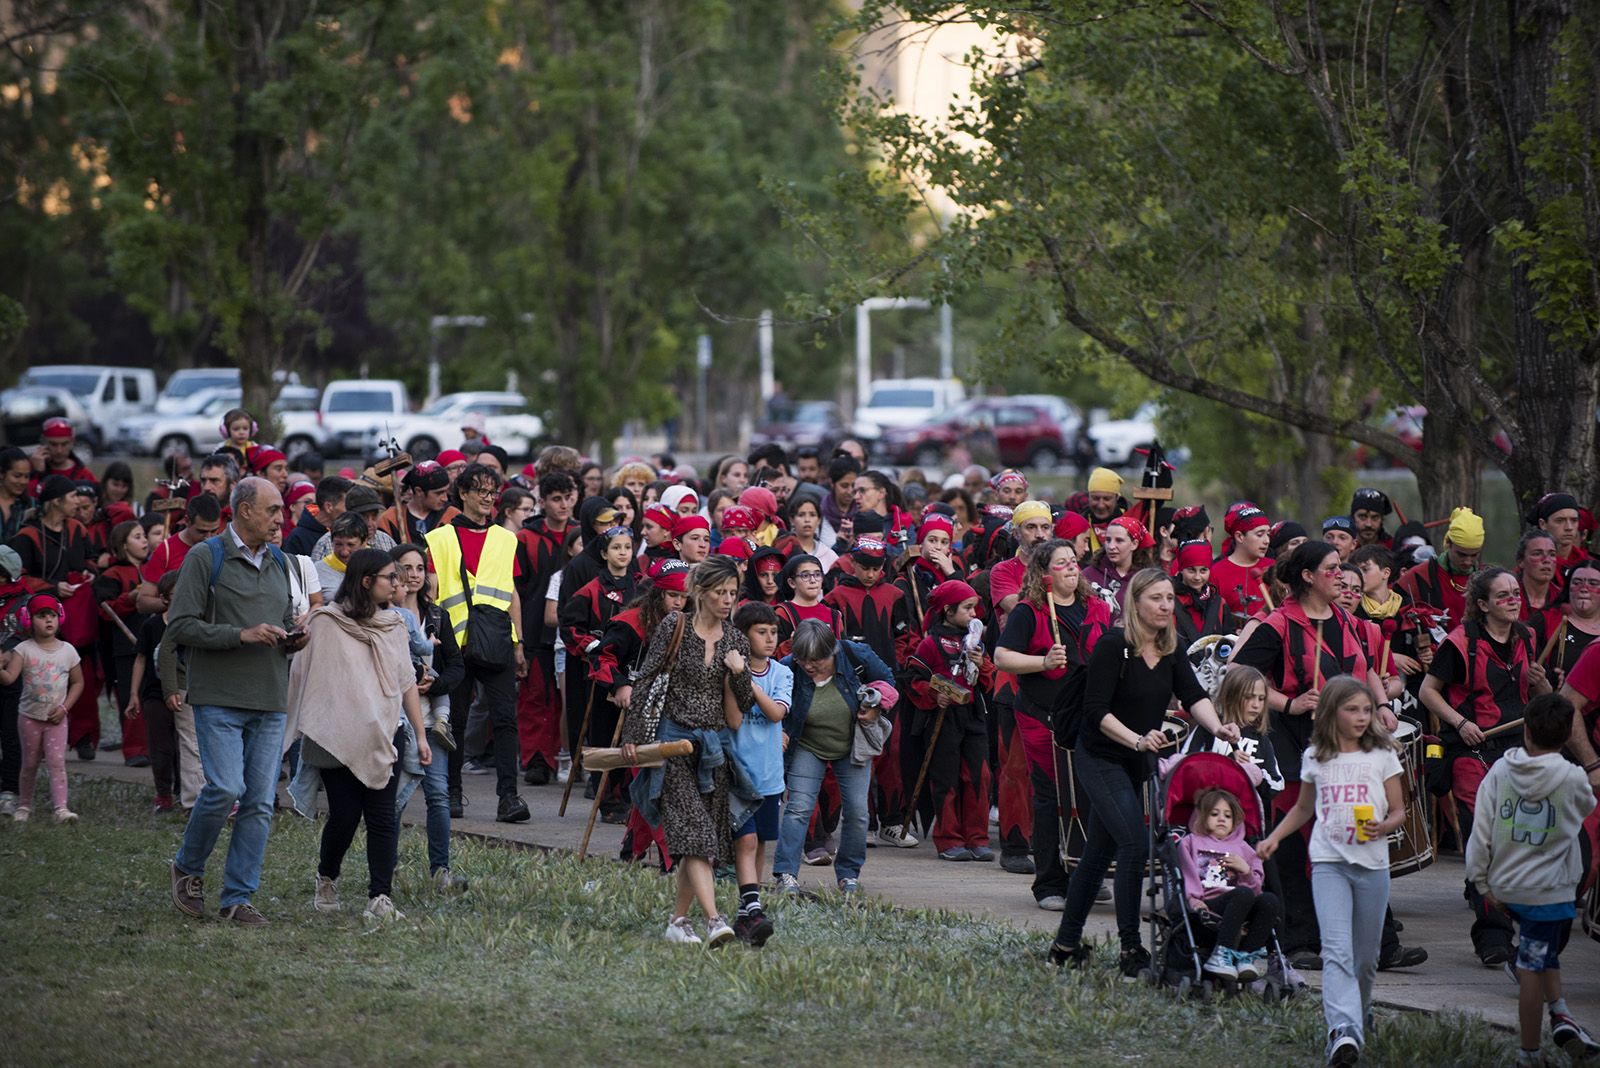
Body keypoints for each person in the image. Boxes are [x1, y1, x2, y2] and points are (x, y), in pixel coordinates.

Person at [1048, 568, 1240, 978]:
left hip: (1136, 761)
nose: (1166, 606)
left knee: (1098, 854)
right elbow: (1095, 711)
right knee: (1133, 845)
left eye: (1169, 599)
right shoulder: (1113, 645)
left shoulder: (1172, 648)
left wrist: (1218, 725)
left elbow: (1194, 696)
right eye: (1156, 598)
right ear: (1134, 603)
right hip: (1100, 756)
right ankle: (1132, 950)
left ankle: (1065, 945)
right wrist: (1136, 740)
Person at [1231, 541, 1397, 966]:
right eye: (1331, 569)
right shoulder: (1278, 624)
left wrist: (1380, 707)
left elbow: (1370, 671)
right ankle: (1299, 938)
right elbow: (1237, 674)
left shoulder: (1347, 619)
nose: (1340, 576)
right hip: (1294, 742)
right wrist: (1289, 703)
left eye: (1340, 568)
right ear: (1307, 576)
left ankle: (1380, 942)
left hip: (1347, 742)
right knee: (1297, 841)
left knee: (1356, 832)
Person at [167, 477, 304, 926]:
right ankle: (187, 865)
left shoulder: (282, 561)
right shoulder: (206, 557)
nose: (280, 518)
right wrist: (240, 635)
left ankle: (237, 899)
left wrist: (293, 637)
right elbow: (181, 626)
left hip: (269, 697)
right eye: (273, 510)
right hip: (219, 697)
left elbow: (281, 621)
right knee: (225, 789)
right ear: (244, 510)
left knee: (261, 802)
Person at [1256, 676, 1405, 1067]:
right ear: (1331, 713)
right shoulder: (1315, 757)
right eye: (1351, 709)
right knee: (1336, 951)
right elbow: (1304, 808)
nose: (1361, 717)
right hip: (1328, 863)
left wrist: (1384, 827)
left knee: (1366, 958)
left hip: (1372, 865)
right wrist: (1274, 837)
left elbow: (1398, 811)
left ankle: (1361, 1011)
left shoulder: (1382, 754)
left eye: (1366, 710)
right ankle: (1342, 1030)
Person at [1419, 565, 1553, 965]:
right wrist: (1461, 723)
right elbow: (1428, 691)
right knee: (1487, 841)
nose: (1514, 601)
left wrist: (1542, 684)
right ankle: (1493, 937)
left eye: (1516, 594)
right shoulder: (1460, 643)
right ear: (1482, 604)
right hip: (1472, 752)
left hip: (1519, 751)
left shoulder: (1528, 637)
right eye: (1504, 596)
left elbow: (1541, 694)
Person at [288, 548, 429, 921]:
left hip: (385, 731)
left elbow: (406, 683)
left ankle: (379, 896)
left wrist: (420, 733)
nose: (398, 584)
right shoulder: (326, 622)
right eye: (390, 578)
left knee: (383, 817)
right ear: (367, 581)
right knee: (345, 816)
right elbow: (307, 676)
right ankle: (327, 875)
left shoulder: (394, 624)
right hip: (338, 733)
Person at [622, 556, 755, 946]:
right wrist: (634, 734)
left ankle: (678, 921)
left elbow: (738, 712)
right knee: (696, 835)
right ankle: (715, 920)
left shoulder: (735, 640)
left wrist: (740, 672)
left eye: (732, 592)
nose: (727, 600)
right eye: (720, 592)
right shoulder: (674, 625)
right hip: (672, 744)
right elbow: (647, 678)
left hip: (711, 751)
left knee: (698, 842)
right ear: (700, 591)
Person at [1464, 692, 1600, 1067]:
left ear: (1525, 731)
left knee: (1541, 953)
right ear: (1565, 737)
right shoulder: (1572, 778)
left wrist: (1480, 879)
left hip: (1507, 887)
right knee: (1530, 968)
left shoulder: (1499, 771)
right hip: (1550, 890)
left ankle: (1561, 1015)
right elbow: (1588, 807)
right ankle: (1529, 1051)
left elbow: (1481, 829)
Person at [995, 538, 1112, 910]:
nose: (1072, 569)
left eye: (1074, 562)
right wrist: (1043, 663)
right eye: (1062, 564)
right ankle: (1049, 883)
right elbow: (1001, 657)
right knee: (1049, 797)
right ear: (1044, 574)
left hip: (1085, 717)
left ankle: (1086, 873)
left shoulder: (1096, 607)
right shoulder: (1029, 611)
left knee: (1090, 793)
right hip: (1039, 715)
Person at [425, 462, 531, 824]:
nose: (488, 498)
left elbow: (512, 593)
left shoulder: (506, 538)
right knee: (452, 719)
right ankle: (451, 792)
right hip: (452, 643)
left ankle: (509, 798)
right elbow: (431, 591)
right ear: (463, 494)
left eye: (492, 492)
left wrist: (519, 643)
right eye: (481, 491)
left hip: (498, 639)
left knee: (505, 720)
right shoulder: (438, 539)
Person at [771, 618, 897, 896]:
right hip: (807, 745)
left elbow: (889, 680)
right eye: (803, 659)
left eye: (816, 660)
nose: (809, 666)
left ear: (833, 651)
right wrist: (778, 730)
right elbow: (772, 696)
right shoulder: (789, 665)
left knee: (857, 812)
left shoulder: (855, 654)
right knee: (798, 808)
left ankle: (849, 875)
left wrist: (877, 707)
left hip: (852, 744)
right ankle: (786, 875)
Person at [391, 543, 467, 891]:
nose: (414, 574)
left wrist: (432, 685)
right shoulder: (384, 616)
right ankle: (385, 869)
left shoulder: (437, 616)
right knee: (392, 800)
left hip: (434, 720)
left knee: (437, 795)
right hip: (394, 718)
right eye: (406, 568)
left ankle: (441, 872)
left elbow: (456, 667)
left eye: (420, 568)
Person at [905, 580, 995, 861]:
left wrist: (982, 665)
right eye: (967, 608)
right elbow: (913, 680)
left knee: (979, 776)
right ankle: (948, 839)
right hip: (944, 719)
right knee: (946, 777)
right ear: (947, 610)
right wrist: (934, 696)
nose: (973, 614)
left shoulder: (976, 641)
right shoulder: (930, 643)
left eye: (975, 608)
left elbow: (989, 680)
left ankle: (977, 837)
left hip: (973, 716)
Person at [727, 601, 793, 945]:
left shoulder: (783, 673)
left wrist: (747, 682)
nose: (770, 639)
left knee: (761, 842)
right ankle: (751, 904)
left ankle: (748, 905)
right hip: (740, 775)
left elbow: (776, 713)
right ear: (743, 635)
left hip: (770, 775)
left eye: (774, 633)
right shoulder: (728, 671)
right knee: (746, 840)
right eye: (761, 632)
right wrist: (737, 677)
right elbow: (733, 719)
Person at [1178, 787, 1280, 981]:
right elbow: (1189, 875)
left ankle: (1245, 956)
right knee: (1242, 894)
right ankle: (1221, 952)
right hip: (1211, 905)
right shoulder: (1191, 842)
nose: (1221, 819)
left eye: (1227, 815)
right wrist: (1194, 901)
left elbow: (1256, 890)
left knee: (1270, 900)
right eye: (1214, 814)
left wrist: (1247, 872)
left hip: (1243, 903)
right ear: (1202, 816)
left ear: (1235, 820)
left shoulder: (1244, 849)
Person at [0, 595, 86, 823]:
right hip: (29, 717)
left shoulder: (68, 651)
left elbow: (79, 682)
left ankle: (61, 809)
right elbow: (9, 679)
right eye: (41, 615)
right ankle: (24, 806)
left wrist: (65, 709)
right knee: (29, 763)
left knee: (57, 763)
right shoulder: (23, 649)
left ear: (60, 618)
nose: (48, 620)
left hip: (57, 719)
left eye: (52, 615)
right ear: (28, 620)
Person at [1181, 664, 1284, 799]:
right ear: (1231, 696)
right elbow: (1184, 767)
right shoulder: (1210, 728)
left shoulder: (1261, 739)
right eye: (1249, 697)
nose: (1256, 705)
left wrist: (1254, 773)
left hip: (1247, 814)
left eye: (1261, 698)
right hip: (1206, 810)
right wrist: (1228, 764)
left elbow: (1277, 785)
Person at [127, 571, 182, 812]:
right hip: (154, 694)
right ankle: (163, 794)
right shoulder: (152, 625)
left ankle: (185, 791)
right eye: (175, 593)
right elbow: (140, 659)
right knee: (162, 748)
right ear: (164, 598)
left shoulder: (192, 624)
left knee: (185, 748)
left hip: (185, 693)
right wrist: (133, 694)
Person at [1398, 506, 1483, 633]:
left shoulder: (1486, 578)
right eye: (1461, 554)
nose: (1468, 561)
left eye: (1474, 555)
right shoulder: (1422, 575)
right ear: (1449, 543)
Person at [1081, 515, 1152, 621]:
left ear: (1134, 544)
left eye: (1119, 540)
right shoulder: (1088, 576)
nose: (1111, 546)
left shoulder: (1146, 580)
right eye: (1108, 540)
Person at [1212, 503, 1272, 620]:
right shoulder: (1216, 572)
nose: (1267, 541)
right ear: (1239, 536)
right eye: (1260, 535)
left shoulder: (1273, 568)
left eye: (1268, 534)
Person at [1173, 539, 1228, 644]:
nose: (1197, 577)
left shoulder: (1218, 603)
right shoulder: (1169, 600)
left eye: (1203, 570)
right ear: (1180, 569)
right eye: (1191, 570)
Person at [26, 417, 97, 498]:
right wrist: (37, 473)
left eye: (64, 444)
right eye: (53, 444)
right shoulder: (30, 470)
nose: (59, 450)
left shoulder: (83, 474)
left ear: (72, 442)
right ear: (44, 443)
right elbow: (28, 500)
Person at [283, 475, 350, 557]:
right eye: (347, 505)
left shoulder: (348, 531)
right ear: (329, 507)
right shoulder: (298, 538)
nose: (352, 510)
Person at [316, 512, 370, 601]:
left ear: (364, 542)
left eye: (351, 545)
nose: (344, 552)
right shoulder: (317, 570)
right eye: (338, 544)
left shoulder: (378, 566)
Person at [1516, 530, 1562, 626]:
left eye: (1552, 554)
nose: (1546, 560)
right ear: (1521, 561)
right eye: (1537, 554)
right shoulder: (1508, 596)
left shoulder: (1562, 600)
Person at [0, 447, 33, 545]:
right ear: (1, 473)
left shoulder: (32, 505)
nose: (23, 482)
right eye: (17, 476)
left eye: (26, 476)